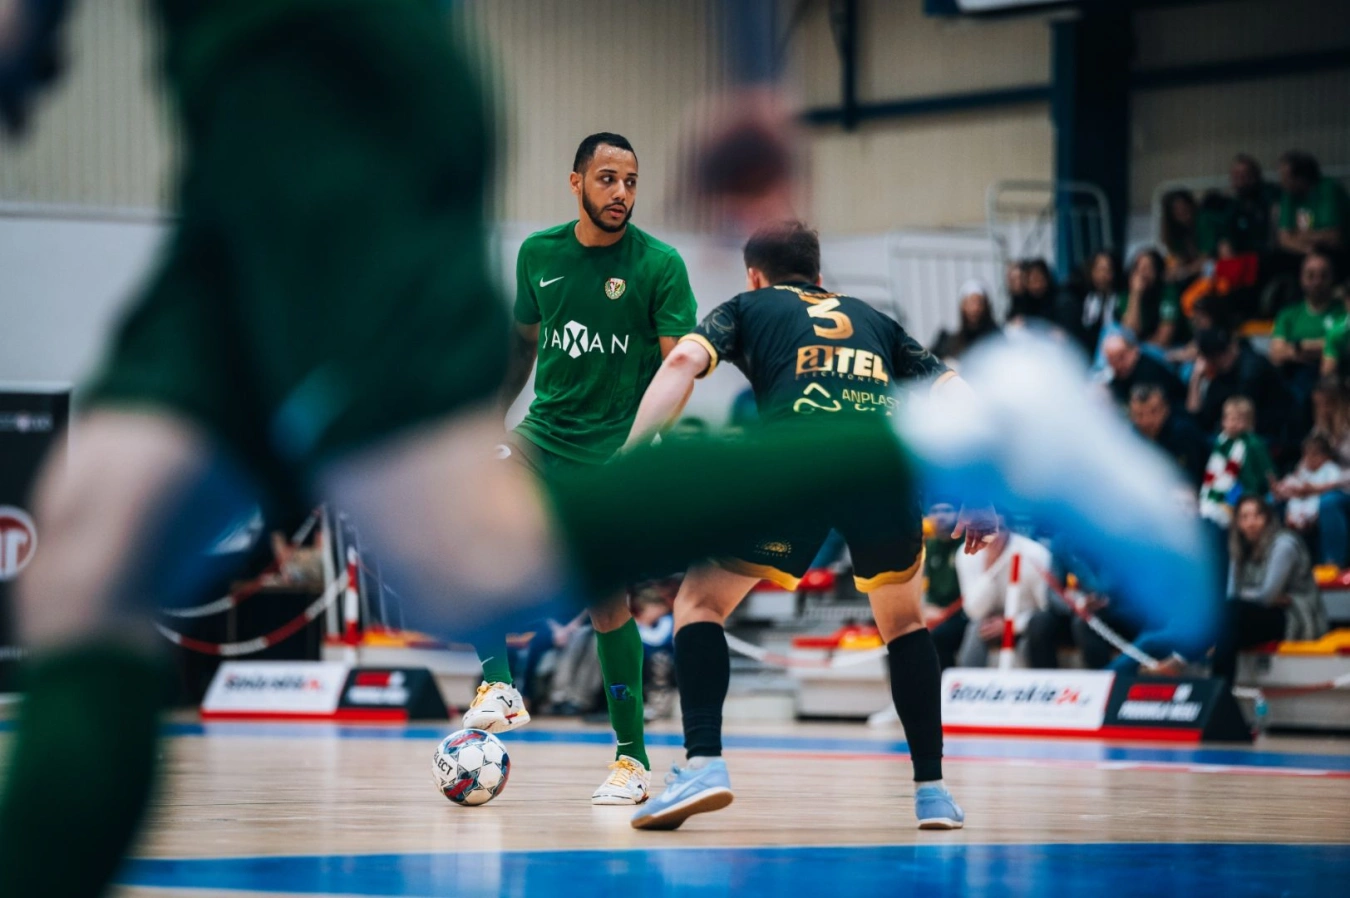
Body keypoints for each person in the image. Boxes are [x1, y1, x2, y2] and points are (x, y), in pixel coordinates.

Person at [620, 221, 988, 832]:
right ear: (819, 275)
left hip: (798, 462)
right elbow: (956, 392)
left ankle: (704, 763)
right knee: (904, 625)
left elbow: (683, 357)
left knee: (699, 604)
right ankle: (933, 793)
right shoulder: (874, 319)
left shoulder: (748, 306)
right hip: (881, 470)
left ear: (755, 276)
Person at [465, 132, 698, 805]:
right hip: (543, 434)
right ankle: (499, 685)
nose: (621, 192)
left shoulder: (660, 265)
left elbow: (678, 370)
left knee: (607, 602)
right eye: (607, 178)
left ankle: (632, 762)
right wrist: (491, 419)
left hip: (613, 452)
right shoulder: (539, 254)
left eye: (631, 181)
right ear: (576, 183)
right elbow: (522, 348)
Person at [1212, 495, 1328, 685]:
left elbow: (1266, 596)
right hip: (1255, 612)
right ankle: (1220, 688)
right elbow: (1233, 595)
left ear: (1267, 518)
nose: (1251, 523)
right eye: (1244, 517)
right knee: (1227, 621)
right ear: (1238, 523)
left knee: (1231, 618)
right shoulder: (1239, 547)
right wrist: (1257, 595)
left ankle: (1218, 687)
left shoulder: (1284, 544)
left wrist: (1250, 595)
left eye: (1257, 516)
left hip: (1295, 615)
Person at [952, 525, 1051, 668]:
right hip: (990, 621)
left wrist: (1012, 625)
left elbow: (1046, 608)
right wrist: (990, 569)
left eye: (999, 529)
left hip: (1027, 620)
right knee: (975, 630)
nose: (992, 536)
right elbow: (974, 611)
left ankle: (1039, 680)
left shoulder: (1034, 554)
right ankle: (967, 680)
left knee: (1037, 629)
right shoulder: (968, 553)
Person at [1269, 249, 1344, 423]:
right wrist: (1325, 345)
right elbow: (1276, 354)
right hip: (1296, 381)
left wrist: (1299, 346)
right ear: (1301, 278)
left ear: (1332, 278)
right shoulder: (1288, 314)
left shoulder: (1342, 311)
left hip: (1336, 377)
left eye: (1323, 275)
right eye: (1311, 275)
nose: (1317, 281)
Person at [1187, 328, 1290, 447]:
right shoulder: (1219, 377)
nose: (1226, 356)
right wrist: (1196, 379)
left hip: (1267, 435)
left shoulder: (1252, 368)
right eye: (1217, 355)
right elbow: (1199, 419)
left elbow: (1243, 418)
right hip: (1233, 434)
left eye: (1226, 350)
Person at [1199, 396, 1276, 530]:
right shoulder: (1221, 443)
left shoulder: (1254, 444)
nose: (1234, 424)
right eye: (1230, 419)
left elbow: (1268, 473)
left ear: (1250, 422)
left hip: (1247, 494)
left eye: (1239, 420)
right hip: (1219, 495)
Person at [1128, 383, 1211, 489]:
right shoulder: (1132, 437)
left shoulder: (1183, 433)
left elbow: (1190, 480)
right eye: (1139, 415)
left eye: (1154, 411)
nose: (1147, 420)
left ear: (1166, 409)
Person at [1276, 150, 1348, 260]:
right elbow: (1284, 239)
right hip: (1305, 251)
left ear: (1302, 178)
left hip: (1337, 252)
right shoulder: (1289, 194)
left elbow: (1333, 237)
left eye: (1286, 177)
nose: (1281, 182)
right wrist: (1308, 249)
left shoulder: (1328, 190)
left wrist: (1297, 236)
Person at [921, 503, 968, 670]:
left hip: (964, 613)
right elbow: (925, 586)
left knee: (939, 635)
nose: (940, 516)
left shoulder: (969, 543)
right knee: (896, 634)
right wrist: (926, 610)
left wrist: (944, 613)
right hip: (937, 612)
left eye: (947, 510)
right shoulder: (929, 545)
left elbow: (974, 591)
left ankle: (945, 683)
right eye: (935, 511)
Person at [1276, 433, 1342, 535]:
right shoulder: (1304, 470)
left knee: (1321, 502)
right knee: (1292, 500)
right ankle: (1292, 520)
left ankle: (1307, 522)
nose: (1309, 458)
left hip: (1318, 499)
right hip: (1302, 500)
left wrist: (1313, 488)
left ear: (1326, 456)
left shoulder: (1330, 468)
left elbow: (1335, 484)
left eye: (1314, 455)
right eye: (1306, 455)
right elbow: (1294, 483)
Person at [1103, 331, 1186, 408]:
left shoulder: (1149, 373)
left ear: (1134, 351)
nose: (1117, 364)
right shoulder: (1119, 375)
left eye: (1121, 357)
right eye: (1111, 360)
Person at [1219, 153, 1279, 257]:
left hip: (1268, 256)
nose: (1239, 179)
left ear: (1254, 176)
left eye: (1244, 174)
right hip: (1242, 258)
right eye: (1235, 175)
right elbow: (1226, 234)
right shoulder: (1231, 205)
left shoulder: (1270, 195)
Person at [930, 280, 1000, 363]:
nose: (975, 309)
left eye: (979, 303)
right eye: (970, 303)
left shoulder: (997, 339)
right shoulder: (951, 342)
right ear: (962, 306)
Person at [1075, 250, 1126, 360]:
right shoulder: (1084, 297)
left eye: (1107, 270)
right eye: (1098, 269)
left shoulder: (1121, 298)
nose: (1102, 275)